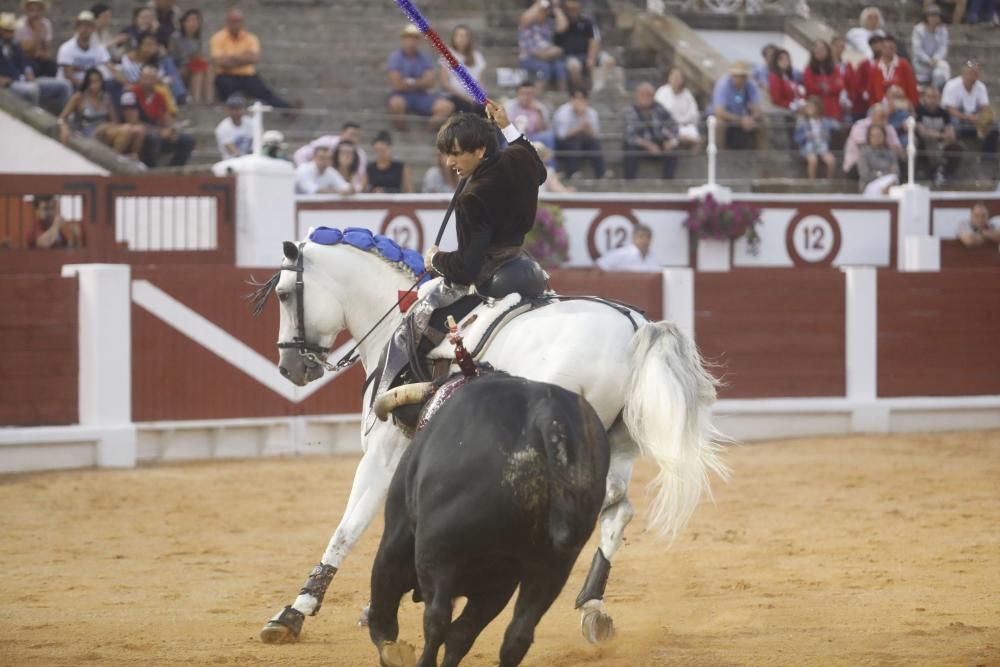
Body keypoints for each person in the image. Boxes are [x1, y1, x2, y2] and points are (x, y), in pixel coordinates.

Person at [387, 104, 547, 394]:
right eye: (447, 153)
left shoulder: (473, 195)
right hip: (525, 267)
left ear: (480, 151)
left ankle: (417, 392)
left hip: (491, 275)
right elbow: (541, 172)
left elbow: (466, 268)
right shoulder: (520, 158)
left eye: (457, 153)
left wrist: (435, 260)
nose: (449, 162)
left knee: (418, 322)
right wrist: (506, 126)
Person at [210, 8, 291, 108]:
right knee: (227, 90)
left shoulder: (251, 38)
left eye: (238, 21)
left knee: (265, 93)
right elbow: (219, 61)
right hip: (226, 75)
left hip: (247, 76)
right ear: (227, 22)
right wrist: (244, 58)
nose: (236, 24)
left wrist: (231, 57)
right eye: (233, 21)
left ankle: (287, 109)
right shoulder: (218, 37)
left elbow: (254, 58)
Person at [58, 67, 144, 159]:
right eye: (91, 82)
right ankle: (114, 159)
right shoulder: (79, 97)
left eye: (97, 81)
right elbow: (62, 118)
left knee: (133, 129)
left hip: (104, 130)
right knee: (126, 129)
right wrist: (64, 127)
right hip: (87, 132)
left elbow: (115, 121)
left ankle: (122, 157)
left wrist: (106, 126)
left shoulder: (106, 97)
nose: (95, 85)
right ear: (87, 83)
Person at [121, 64, 195, 167]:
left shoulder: (160, 96)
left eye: (151, 78)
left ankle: (174, 169)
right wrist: (160, 131)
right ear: (140, 78)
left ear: (156, 80)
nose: (148, 82)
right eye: (145, 78)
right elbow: (133, 122)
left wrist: (171, 130)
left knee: (187, 140)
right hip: (138, 135)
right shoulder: (130, 94)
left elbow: (166, 119)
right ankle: (150, 169)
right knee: (153, 138)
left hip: (158, 131)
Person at [1, 12, 71, 115]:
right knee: (32, 90)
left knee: (64, 85)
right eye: (6, 31)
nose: (9, 34)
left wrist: (29, 74)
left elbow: (25, 65)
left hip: (25, 79)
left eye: (11, 31)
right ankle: (35, 118)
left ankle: (64, 119)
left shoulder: (15, 45)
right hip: (10, 83)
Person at [386, 24, 454, 130]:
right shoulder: (395, 57)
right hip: (401, 95)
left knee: (446, 107)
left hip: (422, 96)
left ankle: (427, 132)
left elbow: (430, 83)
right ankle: (401, 133)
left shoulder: (424, 57)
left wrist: (409, 83)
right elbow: (397, 85)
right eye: (408, 38)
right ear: (403, 39)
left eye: (414, 38)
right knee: (396, 104)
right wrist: (420, 82)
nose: (411, 41)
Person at [555, 0, 620, 93]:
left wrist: (591, 58)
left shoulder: (587, 21)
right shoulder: (561, 21)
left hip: (587, 53)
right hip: (570, 56)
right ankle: (580, 91)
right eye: (570, 9)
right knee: (573, 66)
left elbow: (595, 39)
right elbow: (560, 29)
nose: (572, 11)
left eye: (575, 8)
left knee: (609, 61)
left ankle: (598, 89)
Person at [622, 82, 679, 179]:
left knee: (673, 150)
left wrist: (671, 140)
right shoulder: (630, 110)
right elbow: (629, 135)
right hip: (640, 145)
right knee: (630, 149)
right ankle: (630, 182)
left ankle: (668, 181)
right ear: (637, 96)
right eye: (642, 95)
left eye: (649, 95)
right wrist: (648, 145)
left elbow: (673, 125)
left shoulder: (659, 108)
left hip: (658, 141)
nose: (646, 98)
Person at [941, 61, 998, 155]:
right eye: (971, 72)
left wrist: (982, 117)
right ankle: (954, 152)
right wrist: (968, 117)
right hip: (957, 119)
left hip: (974, 120)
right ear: (963, 72)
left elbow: (985, 108)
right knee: (953, 123)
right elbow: (950, 110)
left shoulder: (981, 87)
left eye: (976, 72)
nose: (973, 75)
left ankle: (987, 160)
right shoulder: (952, 85)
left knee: (994, 127)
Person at [293, 122, 368, 191]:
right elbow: (299, 154)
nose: (353, 138)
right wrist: (308, 169)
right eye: (351, 134)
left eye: (357, 136)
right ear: (343, 133)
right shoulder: (325, 141)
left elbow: (356, 178)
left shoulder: (360, 154)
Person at [120, 31, 185, 107]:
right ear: (139, 45)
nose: (150, 48)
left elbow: (161, 77)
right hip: (133, 91)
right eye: (147, 44)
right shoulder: (127, 59)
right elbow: (131, 80)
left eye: (153, 45)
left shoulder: (155, 60)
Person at [712, 61, 766, 150]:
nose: (739, 79)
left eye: (742, 76)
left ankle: (762, 155)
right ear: (732, 75)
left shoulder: (751, 85)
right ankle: (720, 154)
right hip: (728, 117)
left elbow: (757, 108)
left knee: (764, 122)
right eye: (736, 76)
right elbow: (719, 111)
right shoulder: (723, 84)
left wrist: (751, 118)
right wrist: (740, 120)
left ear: (746, 77)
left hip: (745, 117)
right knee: (720, 123)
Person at [553, 88, 606, 178]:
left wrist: (583, 116)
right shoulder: (563, 111)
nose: (579, 101)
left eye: (582, 98)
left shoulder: (591, 112)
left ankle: (601, 174)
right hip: (565, 142)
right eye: (576, 98)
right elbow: (562, 135)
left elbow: (595, 135)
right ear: (571, 99)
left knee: (594, 143)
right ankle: (573, 172)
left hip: (583, 142)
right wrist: (580, 127)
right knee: (575, 140)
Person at [56, 11, 116, 88]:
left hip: (92, 86)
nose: (86, 28)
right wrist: (87, 87)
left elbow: (111, 67)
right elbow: (69, 75)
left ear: (94, 29)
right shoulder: (66, 48)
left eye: (89, 26)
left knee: (113, 83)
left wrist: (126, 83)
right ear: (77, 28)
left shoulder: (99, 48)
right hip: (71, 86)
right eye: (82, 25)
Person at [915, 85, 961, 185]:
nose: (932, 100)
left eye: (935, 97)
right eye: (929, 96)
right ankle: (937, 170)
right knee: (930, 140)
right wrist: (941, 135)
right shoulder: (919, 110)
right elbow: (923, 132)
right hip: (923, 143)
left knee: (957, 147)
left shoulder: (944, 113)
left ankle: (948, 173)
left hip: (941, 143)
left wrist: (944, 137)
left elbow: (950, 133)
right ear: (924, 97)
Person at [518, 0, 569, 90]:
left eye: (546, 10)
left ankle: (562, 94)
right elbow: (525, 18)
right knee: (545, 68)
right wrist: (540, 2)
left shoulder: (548, 23)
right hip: (528, 58)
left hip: (547, 57)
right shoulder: (527, 24)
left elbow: (563, 26)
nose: (544, 12)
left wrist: (555, 7)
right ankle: (538, 95)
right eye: (542, 10)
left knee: (560, 66)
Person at [843, 104, 905, 175]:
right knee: (869, 156)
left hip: (883, 163)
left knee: (900, 163)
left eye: (886, 116)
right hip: (857, 165)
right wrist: (888, 149)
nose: (884, 120)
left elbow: (899, 151)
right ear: (872, 115)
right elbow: (868, 151)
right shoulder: (860, 126)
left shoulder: (888, 127)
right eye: (881, 116)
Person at [438, 25, 485, 114]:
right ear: (453, 38)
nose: (461, 39)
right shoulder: (447, 55)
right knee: (465, 108)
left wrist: (479, 97)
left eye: (464, 36)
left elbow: (480, 81)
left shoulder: (477, 57)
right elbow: (445, 83)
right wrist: (466, 98)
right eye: (458, 35)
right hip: (454, 96)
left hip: (474, 98)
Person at [169, 9, 210, 104]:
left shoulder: (198, 38)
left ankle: (207, 99)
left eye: (196, 20)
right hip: (179, 68)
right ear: (184, 22)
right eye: (190, 20)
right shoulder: (176, 37)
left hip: (194, 65)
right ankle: (195, 100)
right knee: (198, 69)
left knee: (206, 68)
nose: (193, 23)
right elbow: (172, 57)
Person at [868, 36, 919, 109]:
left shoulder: (903, 65)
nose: (888, 50)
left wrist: (912, 105)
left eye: (891, 47)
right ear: (881, 49)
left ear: (895, 49)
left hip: (901, 105)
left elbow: (911, 86)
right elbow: (871, 90)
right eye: (885, 47)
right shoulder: (875, 67)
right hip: (881, 107)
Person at [654, 67, 701, 147]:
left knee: (695, 136)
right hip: (667, 126)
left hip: (684, 125)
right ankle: (678, 140)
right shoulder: (662, 92)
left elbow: (693, 113)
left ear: (682, 80)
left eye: (678, 77)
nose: (675, 79)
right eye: (673, 76)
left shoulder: (687, 94)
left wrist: (684, 122)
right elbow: (657, 112)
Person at [795, 96, 838, 179]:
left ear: (818, 108)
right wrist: (806, 136)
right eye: (808, 107)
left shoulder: (824, 121)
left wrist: (825, 134)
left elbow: (836, 126)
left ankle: (829, 181)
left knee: (831, 161)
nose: (809, 109)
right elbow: (797, 138)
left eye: (811, 107)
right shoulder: (802, 122)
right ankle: (812, 182)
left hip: (822, 147)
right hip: (808, 148)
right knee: (813, 160)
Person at [803, 39, 845, 123]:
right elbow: (810, 87)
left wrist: (826, 87)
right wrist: (827, 87)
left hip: (833, 109)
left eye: (822, 49)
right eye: (817, 49)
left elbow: (839, 87)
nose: (819, 51)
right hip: (816, 110)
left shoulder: (834, 69)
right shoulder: (809, 69)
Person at [505, 79, 555, 147]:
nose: (526, 97)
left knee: (548, 136)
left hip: (533, 136)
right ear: (518, 93)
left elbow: (542, 130)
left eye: (530, 94)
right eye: (523, 93)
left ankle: (549, 158)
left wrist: (539, 113)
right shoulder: (509, 106)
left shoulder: (540, 107)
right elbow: (505, 126)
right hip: (514, 136)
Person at [911, 6, 950, 90]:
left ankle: (938, 92)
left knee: (944, 68)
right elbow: (917, 49)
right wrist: (927, 60)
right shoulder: (918, 29)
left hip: (936, 62)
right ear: (927, 17)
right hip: (921, 63)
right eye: (932, 16)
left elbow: (943, 47)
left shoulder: (943, 30)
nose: (934, 19)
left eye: (936, 16)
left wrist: (936, 58)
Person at [15, 0, 56, 78]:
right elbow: (27, 51)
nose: (35, 14)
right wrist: (37, 31)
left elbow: (47, 50)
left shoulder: (46, 24)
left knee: (52, 66)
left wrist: (38, 51)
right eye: (32, 10)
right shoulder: (20, 25)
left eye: (38, 10)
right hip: (25, 61)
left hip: (40, 60)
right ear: (27, 10)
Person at [858, 124, 899, 195]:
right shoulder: (864, 152)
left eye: (879, 135)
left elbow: (896, 172)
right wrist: (883, 173)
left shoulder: (890, 152)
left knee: (893, 180)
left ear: (884, 136)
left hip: (889, 184)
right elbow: (865, 174)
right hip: (869, 185)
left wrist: (877, 173)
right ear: (869, 137)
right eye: (873, 136)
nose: (876, 138)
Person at [215, 93, 253, 159]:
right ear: (227, 110)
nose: (236, 112)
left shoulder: (251, 123)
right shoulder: (222, 128)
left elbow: (255, 143)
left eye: (239, 108)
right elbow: (233, 151)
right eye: (233, 109)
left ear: (244, 109)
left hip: (250, 160)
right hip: (231, 162)